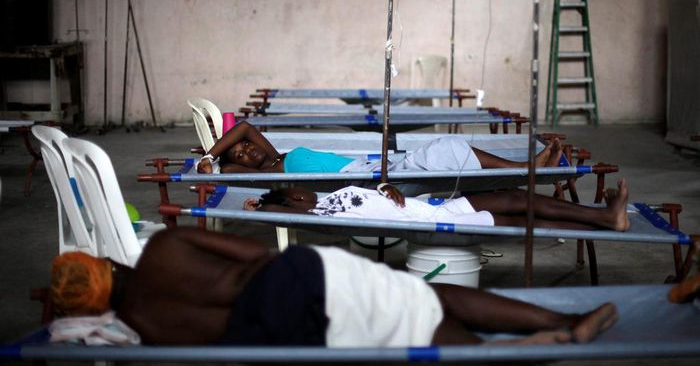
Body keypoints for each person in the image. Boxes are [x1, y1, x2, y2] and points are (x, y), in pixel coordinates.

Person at [51, 227, 619, 347]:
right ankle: (558, 324)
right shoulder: (163, 248)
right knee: (425, 296)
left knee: (412, 332)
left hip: (287, 335)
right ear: (108, 267)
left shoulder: (145, 329)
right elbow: (257, 253)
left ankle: (505, 354)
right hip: (296, 279)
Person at [248, 179, 631, 232]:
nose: (301, 186)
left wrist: (386, 185)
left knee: (516, 196)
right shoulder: (316, 211)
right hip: (431, 220)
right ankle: (606, 223)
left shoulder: (332, 199)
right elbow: (277, 213)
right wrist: (259, 206)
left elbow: (372, 193)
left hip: (430, 207)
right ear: (294, 198)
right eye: (294, 188)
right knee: (521, 220)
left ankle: (603, 216)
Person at [196, 121, 562, 174]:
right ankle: (526, 169)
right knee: (446, 145)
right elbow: (227, 168)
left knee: (445, 147)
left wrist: (214, 149)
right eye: (240, 155)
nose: (246, 151)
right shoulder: (267, 172)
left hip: (371, 168)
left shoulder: (276, 156)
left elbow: (244, 127)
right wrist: (215, 160)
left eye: (243, 148)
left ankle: (527, 167)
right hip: (368, 179)